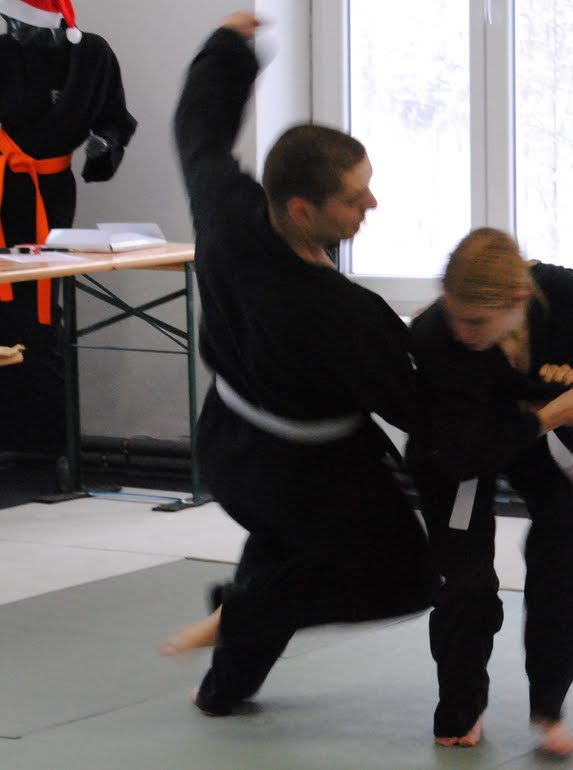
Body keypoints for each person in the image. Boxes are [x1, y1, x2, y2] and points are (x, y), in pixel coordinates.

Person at [165, 12, 435, 716]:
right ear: (301, 209)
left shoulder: (228, 211)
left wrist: (226, 46)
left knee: (282, 548)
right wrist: (517, 407)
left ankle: (224, 688)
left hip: (229, 446)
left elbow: (198, 128)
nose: (371, 203)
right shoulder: (339, 315)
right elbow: (417, 405)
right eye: (353, 197)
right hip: (310, 469)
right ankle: (238, 613)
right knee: (409, 576)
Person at [407, 226, 573, 756]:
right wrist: (551, 412)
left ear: (519, 299)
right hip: (459, 448)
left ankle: (549, 706)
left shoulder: (563, 295)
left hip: (541, 432)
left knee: (570, 541)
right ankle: (461, 706)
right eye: (456, 315)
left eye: (477, 321)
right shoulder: (433, 337)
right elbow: (468, 451)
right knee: (466, 580)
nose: (463, 331)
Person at [0, 0, 136, 452]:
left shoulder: (92, 56)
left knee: (38, 313)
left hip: (49, 195)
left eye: (20, 22)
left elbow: (116, 120)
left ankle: (46, 444)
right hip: (1, 186)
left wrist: (104, 145)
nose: (13, 29)